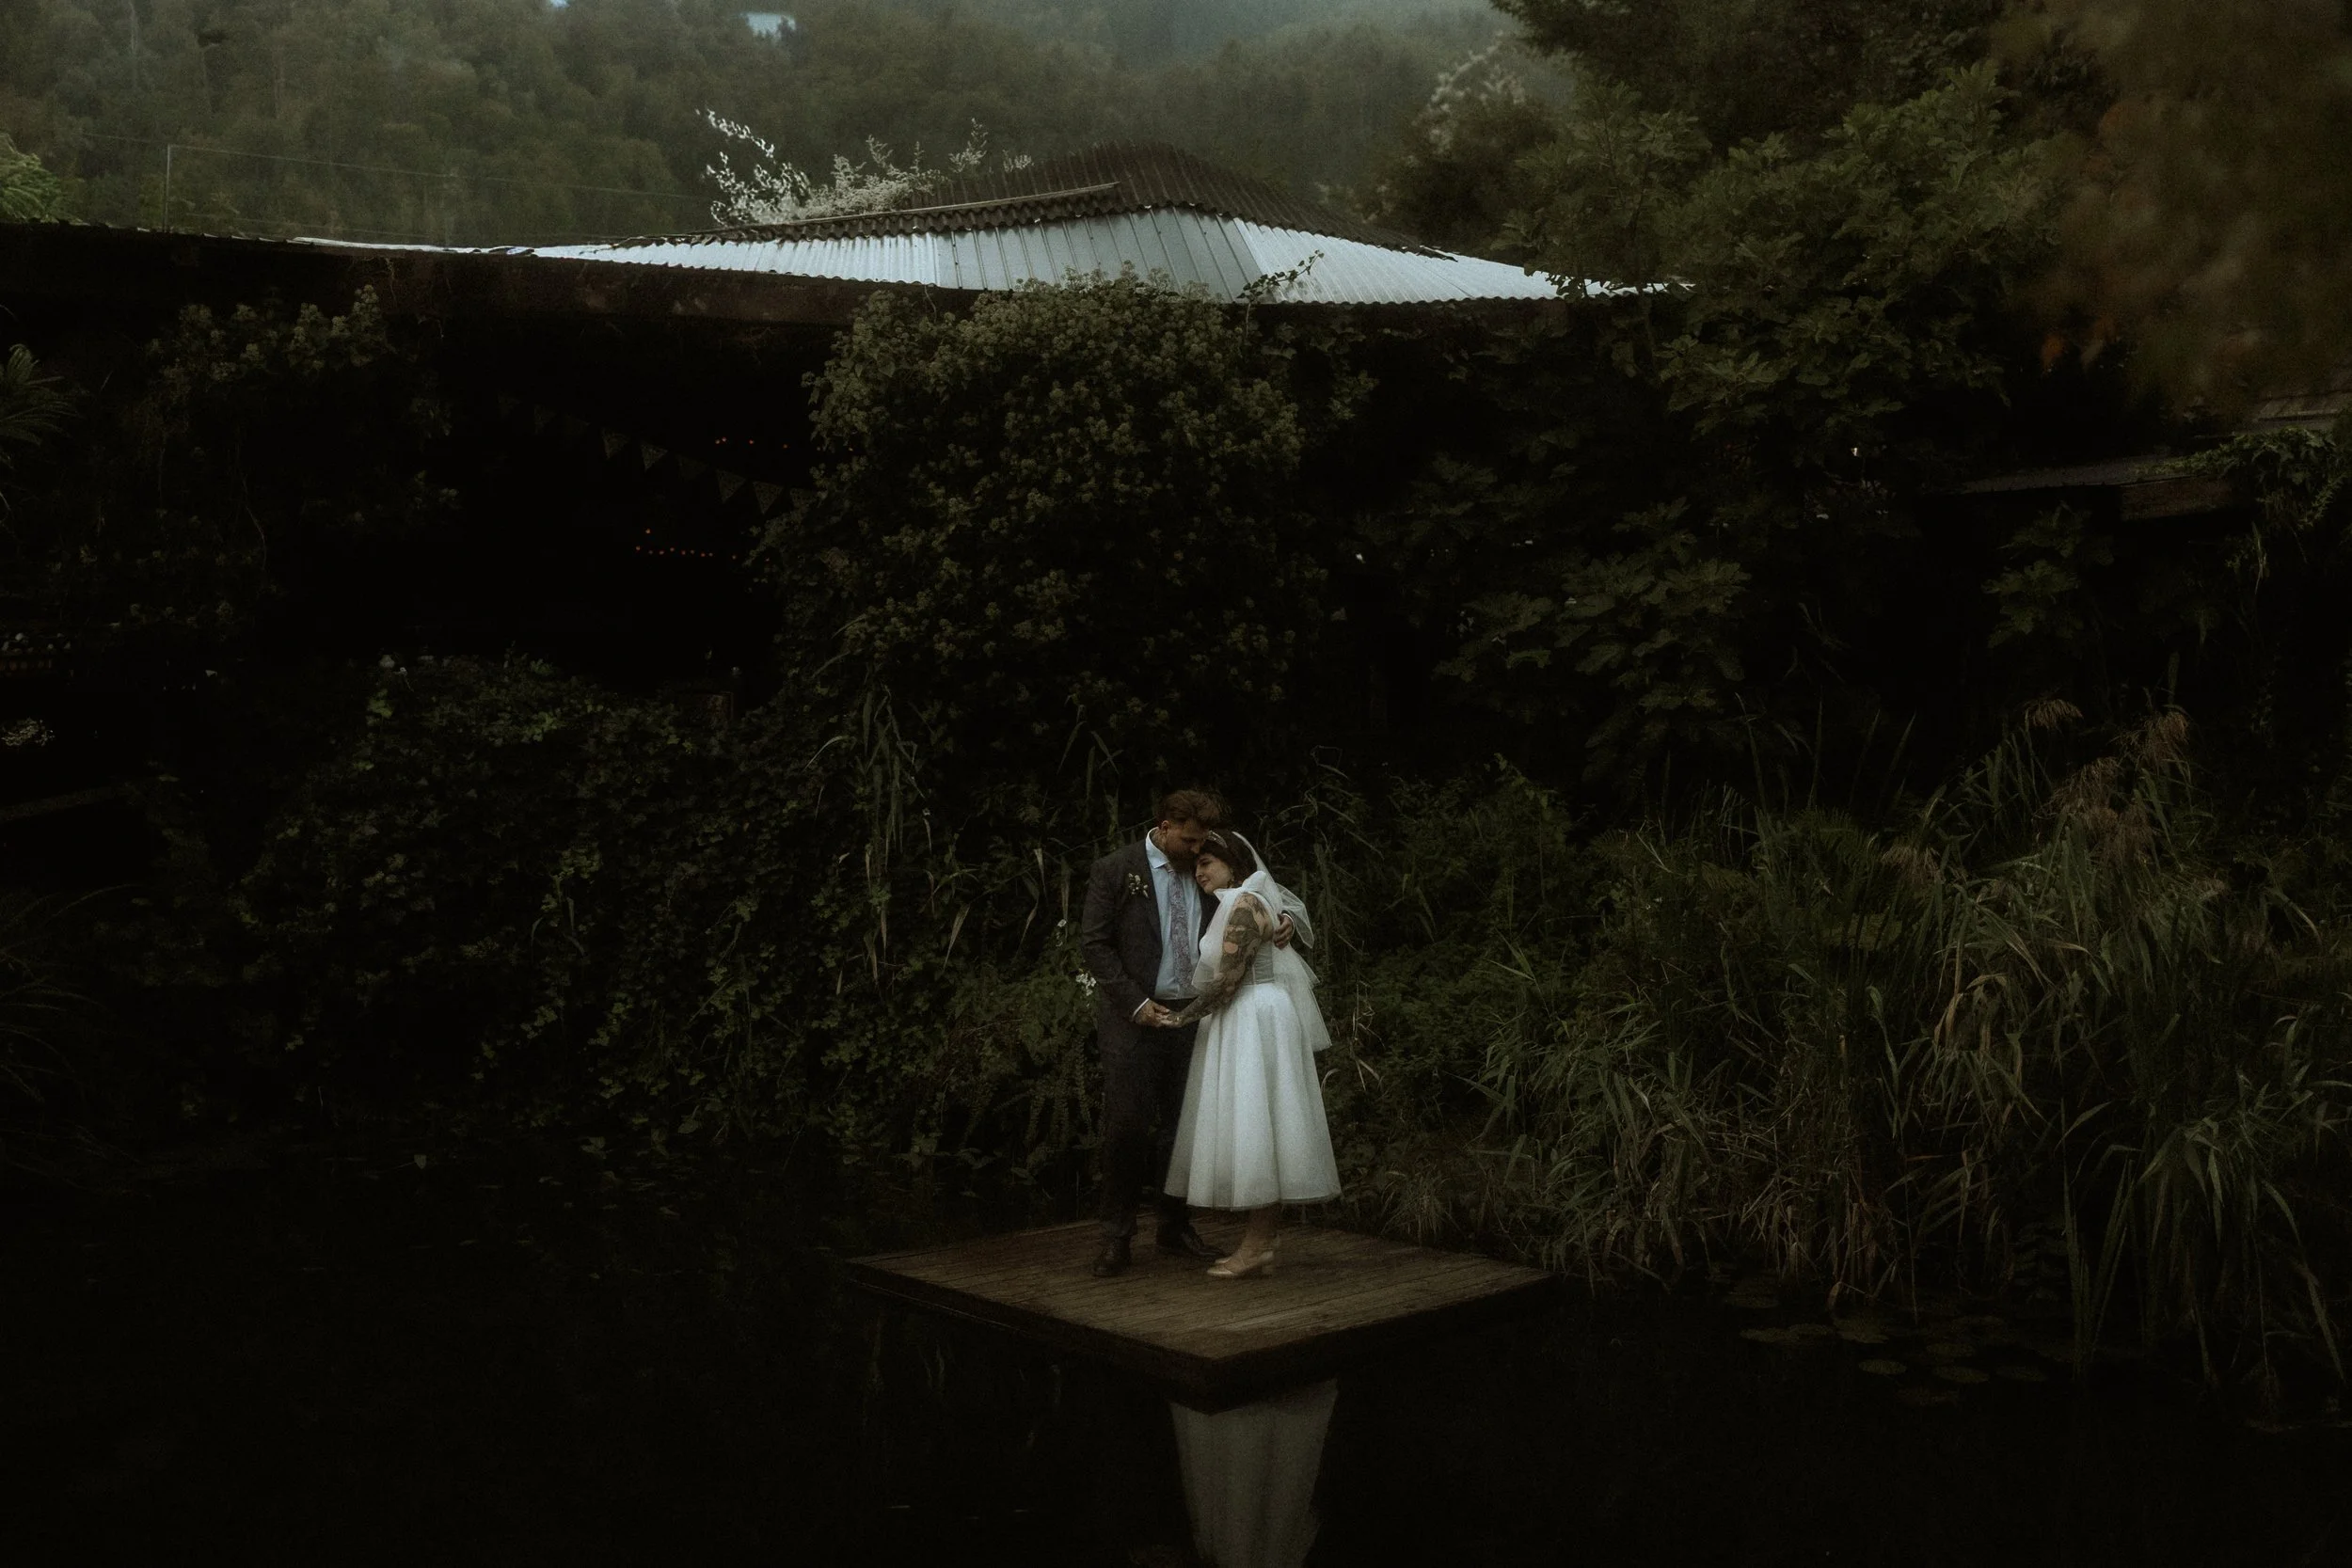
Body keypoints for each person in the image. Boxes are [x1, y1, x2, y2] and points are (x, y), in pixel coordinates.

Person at [1165, 831, 1340, 1280]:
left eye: (1207, 862)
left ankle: (1260, 1242)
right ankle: (1260, 1241)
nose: (1199, 872)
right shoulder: (1247, 899)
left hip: (1252, 1017)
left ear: (1232, 863)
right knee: (1254, 1126)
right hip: (1248, 1014)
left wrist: (1178, 1020)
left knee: (1259, 1124)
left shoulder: (1244, 902)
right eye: (1196, 864)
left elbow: (1226, 980)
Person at [1079, 788, 1235, 1278]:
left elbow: (1257, 891)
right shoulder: (1115, 869)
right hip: (1133, 1018)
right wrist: (1137, 1003)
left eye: (1201, 842)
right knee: (1127, 1125)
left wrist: (1287, 922)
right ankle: (1116, 1236)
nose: (1196, 851)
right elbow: (1095, 944)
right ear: (1163, 826)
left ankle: (1174, 1227)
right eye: (1188, 840)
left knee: (1183, 1128)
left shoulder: (1208, 862)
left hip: (1192, 1015)